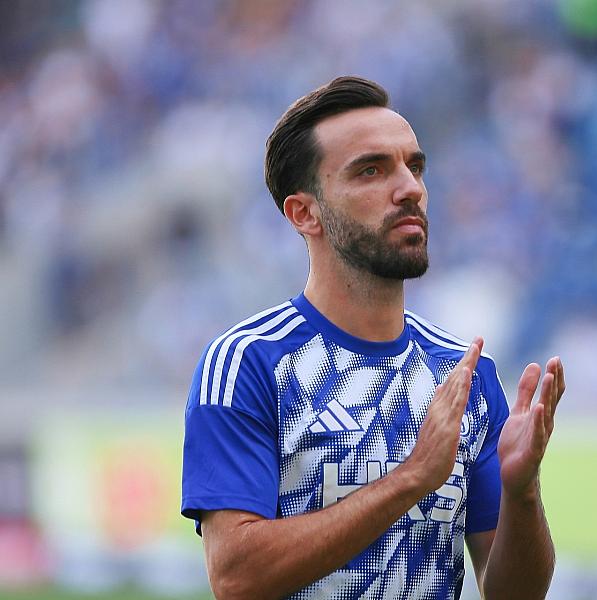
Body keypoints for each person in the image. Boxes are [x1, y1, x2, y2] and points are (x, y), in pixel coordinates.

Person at [181, 76, 566, 600]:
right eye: (371, 170)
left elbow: (512, 595)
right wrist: (411, 478)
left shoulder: (465, 375)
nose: (410, 188)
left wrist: (522, 493)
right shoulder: (250, 363)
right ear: (304, 213)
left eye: (415, 166)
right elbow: (236, 577)